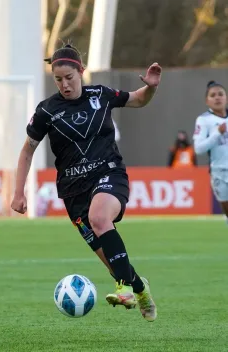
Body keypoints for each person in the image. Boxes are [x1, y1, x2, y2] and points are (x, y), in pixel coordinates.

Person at [11, 44, 160, 322]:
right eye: (58, 79)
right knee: (114, 263)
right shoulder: (47, 111)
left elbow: (138, 99)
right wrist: (18, 192)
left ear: (81, 71)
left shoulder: (101, 95)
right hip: (73, 191)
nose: (64, 84)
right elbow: (27, 151)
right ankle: (138, 287)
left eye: (69, 77)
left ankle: (125, 286)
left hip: (109, 174)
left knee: (100, 218)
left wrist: (150, 87)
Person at [193, 80, 228, 222]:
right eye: (213, 95)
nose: (218, 97)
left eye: (221, 94)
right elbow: (198, 148)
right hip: (220, 173)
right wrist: (217, 134)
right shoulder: (204, 120)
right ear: (207, 101)